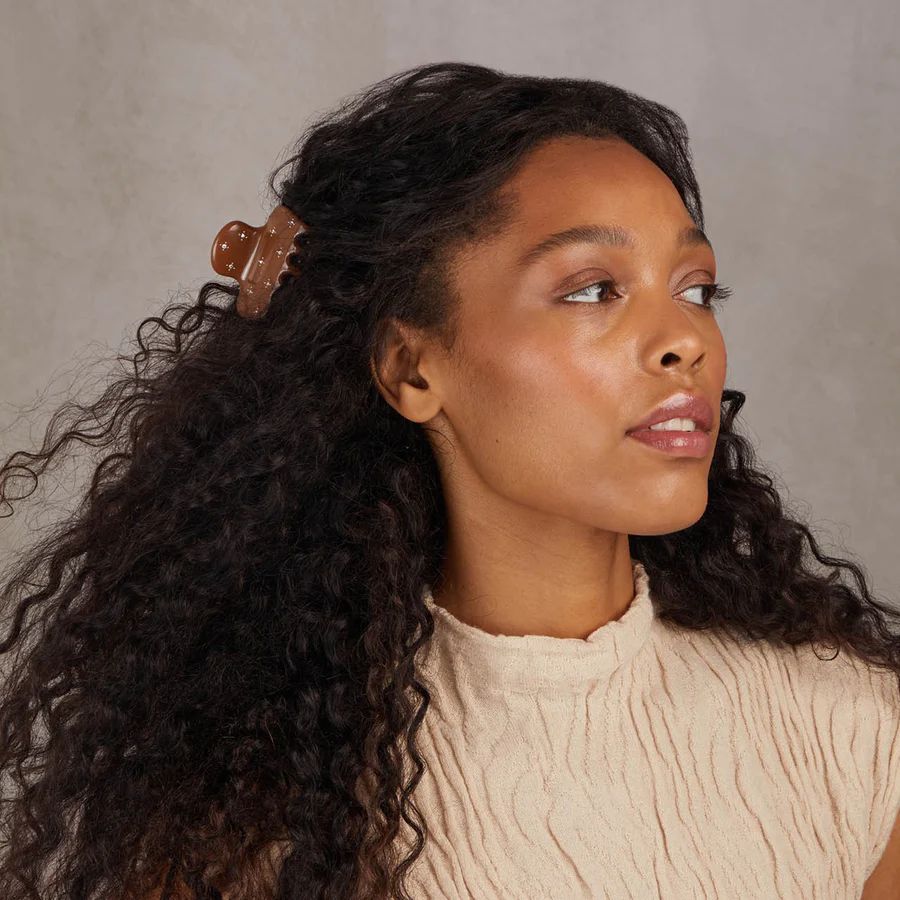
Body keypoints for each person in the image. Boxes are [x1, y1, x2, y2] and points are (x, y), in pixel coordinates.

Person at [0, 61, 897, 900]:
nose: (685, 341)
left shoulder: (853, 733)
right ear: (411, 369)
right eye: (593, 289)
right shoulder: (274, 817)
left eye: (696, 289)